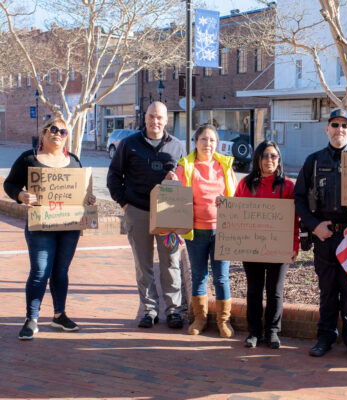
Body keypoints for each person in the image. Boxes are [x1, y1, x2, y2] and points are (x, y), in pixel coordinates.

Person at [4, 117, 96, 340]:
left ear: (66, 138)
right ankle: (31, 319)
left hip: (68, 226)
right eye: (53, 130)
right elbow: (10, 184)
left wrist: (89, 199)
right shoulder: (29, 158)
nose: (57, 134)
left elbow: (81, 192)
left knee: (61, 272)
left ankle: (59, 315)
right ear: (44, 134)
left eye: (62, 132)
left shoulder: (74, 161)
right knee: (39, 271)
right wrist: (20, 195)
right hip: (40, 226)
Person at [294, 108, 347, 362]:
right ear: (327, 129)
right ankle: (325, 337)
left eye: (344, 126)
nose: (339, 129)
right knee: (327, 291)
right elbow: (299, 198)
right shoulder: (314, 161)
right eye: (335, 124)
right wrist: (315, 225)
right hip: (324, 237)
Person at [107, 102, 186, 329]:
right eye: (151, 116)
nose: (155, 121)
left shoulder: (177, 147)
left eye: (160, 117)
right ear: (145, 117)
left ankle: (173, 310)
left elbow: (186, 179)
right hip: (138, 211)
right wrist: (124, 205)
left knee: (170, 261)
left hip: (168, 214)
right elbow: (114, 176)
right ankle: (149, 310)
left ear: (166, 120)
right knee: (143, 264)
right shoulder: (129, 144)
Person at [172, 124, 237, 338]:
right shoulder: (186, 166)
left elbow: (235, 196)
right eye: (203, 139)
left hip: (222, 230)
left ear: (216, 143)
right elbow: (176, 197)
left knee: (221, 277)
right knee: (199, 276)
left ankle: (223, 321)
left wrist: (227, 202)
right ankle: (200, 318)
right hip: (196, 231)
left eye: (211, 140)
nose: (208, 144)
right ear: (195, 142)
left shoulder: (225, 166)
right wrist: (170, 184)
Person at [234, 141, 299, 348]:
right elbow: (235, 212)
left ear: (278, 160)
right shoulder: (245, 184)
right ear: (257, 159)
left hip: (278, 248)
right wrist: (224, 205)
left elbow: (295, 220)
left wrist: (294, 247)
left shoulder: (288, 186)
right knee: (254, 290)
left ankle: (272, 331)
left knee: (275, 291)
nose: (269, 160)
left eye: (273, 156)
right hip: (252, 247)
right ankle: (254, 332)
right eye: (265, 156)